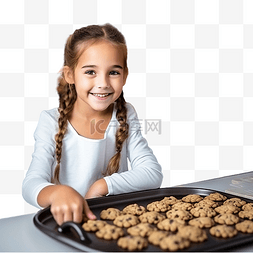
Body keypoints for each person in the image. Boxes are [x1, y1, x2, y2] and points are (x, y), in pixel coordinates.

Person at [22, 23, 163, 225]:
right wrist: (57, 193)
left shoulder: (125, 113)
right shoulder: (50, 121)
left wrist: (102, 186)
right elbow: (30, 185)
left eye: (113, 72)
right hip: (67, 227)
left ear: (125, 76)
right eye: (90, 72)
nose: (103, 83)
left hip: (116, 224)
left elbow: (152, 173)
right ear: (70, 75)